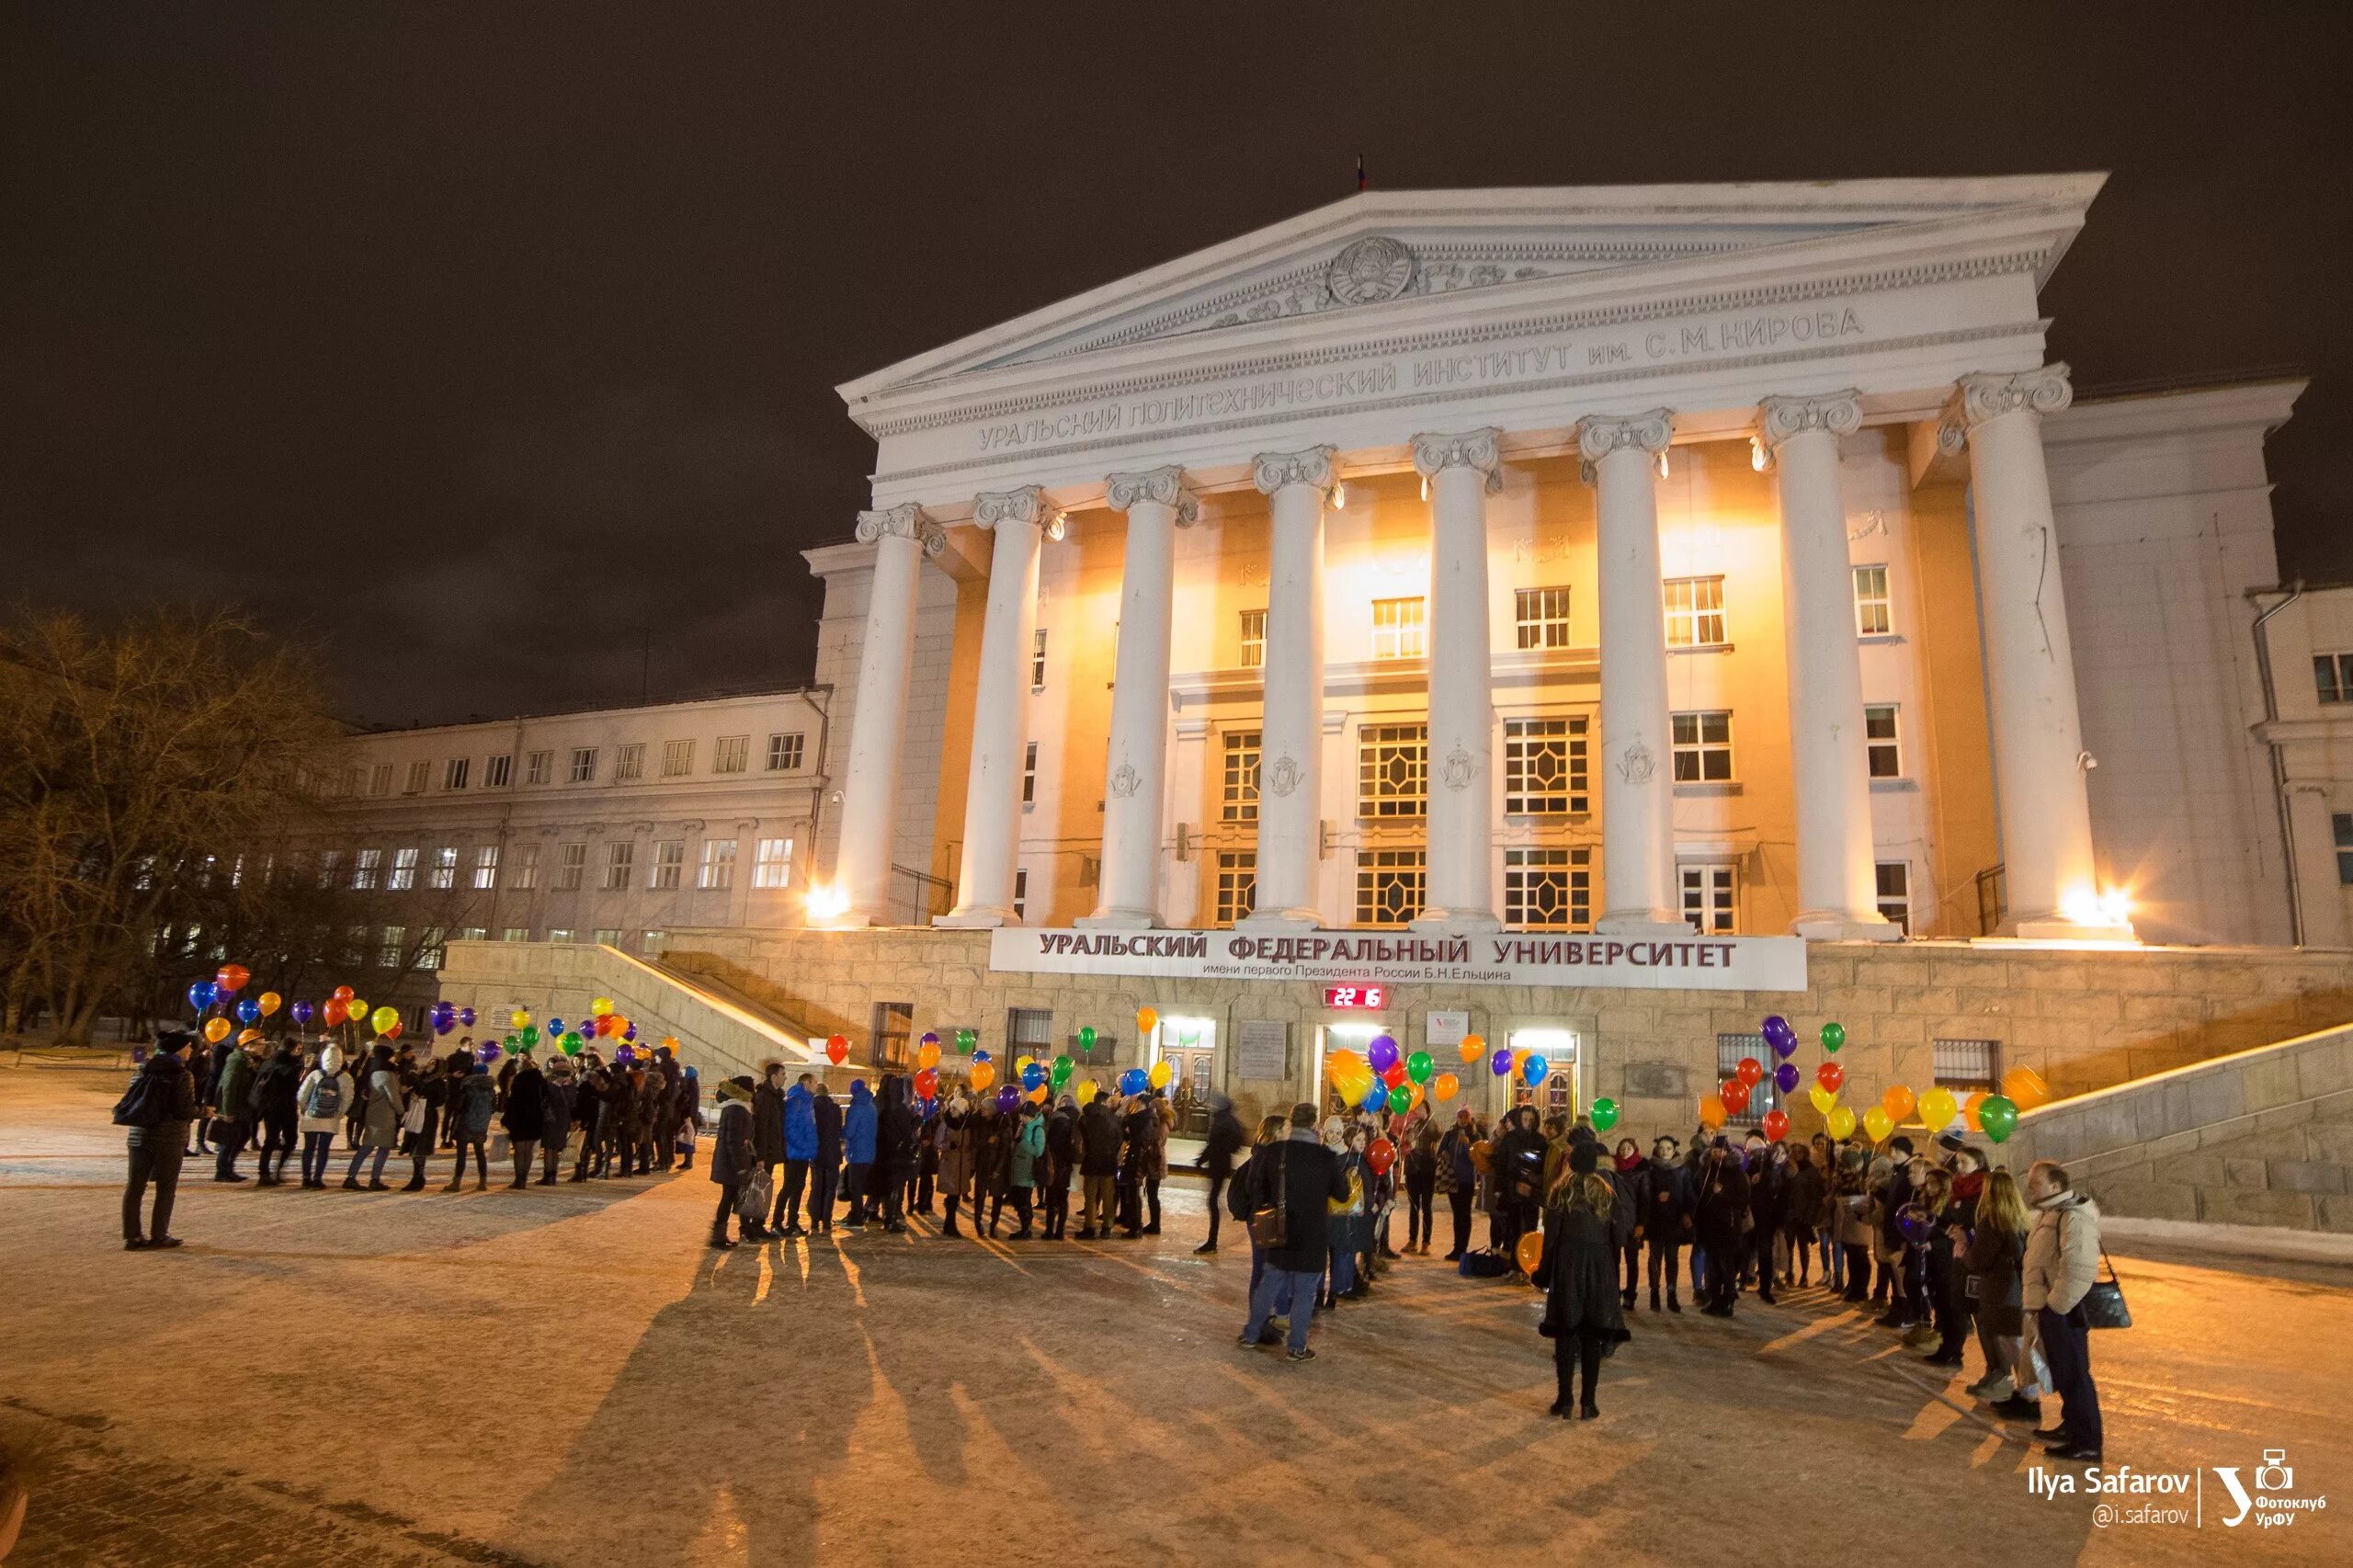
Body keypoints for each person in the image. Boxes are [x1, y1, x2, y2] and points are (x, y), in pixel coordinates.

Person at [1237, 1103, 1353, 1363]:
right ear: (1314, 1125)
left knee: (1269, 1284)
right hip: (1312, 1235)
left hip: (1279, 1229)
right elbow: (1342, 1194)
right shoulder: (1326, 1157)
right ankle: (1297, 1347)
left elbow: (1257, 1186)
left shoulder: (1275, 1151)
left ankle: (1250, 1335)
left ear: (1292, 1123)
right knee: (1305, 1292)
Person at [2011, 1160, 2104, 1462]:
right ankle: (2071, 1426)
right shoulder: (2051, 1212)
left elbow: (2078, 1268)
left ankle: (2087, 1440)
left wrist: (2055, 1306)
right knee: (2064, 1373)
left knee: (2075, 1374)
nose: (2030, 1187)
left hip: (2063, 1310)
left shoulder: (2072, 1216)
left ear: (2056, 1185)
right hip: (2050, 1307)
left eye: (2036, 1182)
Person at [1541, 1144, 1631, 1418]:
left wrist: (1545, 1270)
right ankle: (1588, 1402)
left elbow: (1551, 1237)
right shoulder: (1606, 1192)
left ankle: (1565, 1399)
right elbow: (1621, 1237)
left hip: (1568, 1265)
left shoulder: (1561, 1192)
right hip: (1599, 1267)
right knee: (1592, 1335)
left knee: (1566, 1333)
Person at [117, 1031, 199, 1249]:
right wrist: (203, 1111)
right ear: (178, 1049)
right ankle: (159, 1235)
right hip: (169, 1138)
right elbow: (183, 1110)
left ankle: (132, 1237)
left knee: (135, 1187)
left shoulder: (142, 1069)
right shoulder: (182, 1074)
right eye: (188, 1046)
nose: (191, 1050)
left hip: (139, 1135)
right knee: (166, 1188)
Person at [1961, 1166, 2029, 1403]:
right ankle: (2016, 1388)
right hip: (2015, 1290)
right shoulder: (2019, 1221)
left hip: (1998, 1290)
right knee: (2010, 1339)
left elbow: (1979, 1261)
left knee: (2006, 1340)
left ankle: (2021, 1392)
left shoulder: (1992, 1222)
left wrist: (1963, 1249)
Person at [1692, 1137, 1750, 1318]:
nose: (1717, 1154)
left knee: (1727, 1267)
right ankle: (1714, 1300)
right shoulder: (1705, 1171)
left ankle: (1728, 1302)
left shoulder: (1736, 1173)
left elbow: (1743, 1201)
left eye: (1721, 1150)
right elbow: (1697, 1195)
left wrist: (1722, 1193)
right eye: (1715, 1150)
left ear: (1727, 1152)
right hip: (1708, 1227)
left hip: (1728, 1228)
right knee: (1711, 1268)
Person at [1491, 1106, 1546, 1271]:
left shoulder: (1539, 1140)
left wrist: (1532, 1182)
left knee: (1529, 1228)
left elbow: (1540, 1164)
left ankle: (1526, 1266)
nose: (1528, 1123)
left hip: (1530, 1192)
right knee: (1512, 1228)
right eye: (1525, 1120)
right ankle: (1513, 1265)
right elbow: (1501, 1163)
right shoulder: (1510, 1138)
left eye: (1531, 1120)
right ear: (1519, 1120)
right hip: (1511, 1189)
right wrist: (1499, 1186)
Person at [1875, 1135, 1922, 1328]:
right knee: (1895, 1272)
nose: (1892, 1153)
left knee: (1901, 1275)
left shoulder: (1907, 1173)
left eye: (1896, 1150)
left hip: (1901, 1232)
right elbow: (1893, 1201)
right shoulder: (1898, 1172)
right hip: (1893, 1230)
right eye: (1891, 1150)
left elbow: (1906, 1205)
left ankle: (1903, 1311)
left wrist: (1904, 1235)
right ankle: (1896, 1309)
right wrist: (1877, 1191)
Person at [708, 1074, 758, 1249]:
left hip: (732, 1161)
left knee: (733, 1197)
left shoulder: (738, 1107)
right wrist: (739, 1166)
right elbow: (733, 1140)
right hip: (731, 1163)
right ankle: (717, 1237)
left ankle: (726, 1233)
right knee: (728, 1197)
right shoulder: (737, 1109)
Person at [294, 1045, 352, 1189]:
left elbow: (301, 1095)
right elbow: (347, 1099)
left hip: (312, 1117)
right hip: (331, 1119)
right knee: (323, 1149)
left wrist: (307, 1108)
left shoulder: (315, 1074)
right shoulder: (345, 1078)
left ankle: (306, 1177)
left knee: (309, 1148)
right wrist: (339, 1113)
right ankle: (318, 1178)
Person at [1194, 1092, 1245, 1256]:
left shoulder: (1221, 1121)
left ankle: (1212, 1241)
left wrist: (1201, 1160)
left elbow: (1213, 1144)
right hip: (1223, 1163)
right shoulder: (1229, 1120)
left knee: (1212, 1201)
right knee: (1213, 1200)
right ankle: (1212, 1240)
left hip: (1218, 1163)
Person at [249, 1038, 303, 1187]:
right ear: (292, 1050)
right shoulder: (291, 1066)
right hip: (286, 1108)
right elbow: (294, 1089)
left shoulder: (268, 1062)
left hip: (268, 1108)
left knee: (270, 1140)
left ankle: (264, 1173)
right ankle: (278, 1170)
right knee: (291, 1140)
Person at [210, 1035, 259, 1183]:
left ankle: (228, 1167)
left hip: (243, 1105)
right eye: (259, 1044)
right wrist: (227, 1111)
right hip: (234, 1106)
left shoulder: (249, 1060)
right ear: (247, 1045)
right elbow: (229, 1086)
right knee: (230, 1138)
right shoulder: (236, 1060)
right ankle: (222, 1170)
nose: (262, 1047)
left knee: (243, 1135)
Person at [445, 1060, 496, 1191]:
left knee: (461, 1154)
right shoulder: (491, 1089)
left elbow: (460, 1105)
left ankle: (456, 1183)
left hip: (465, 1123)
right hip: (481, 1125)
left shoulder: (467, 1086)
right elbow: (494, 1108)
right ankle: (483, 1182)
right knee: (480, 1153)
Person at [873, 1074, 915, 1233]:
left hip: (880, 1150)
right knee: (894, 1187)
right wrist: (918, 1121)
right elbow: (907, 1131)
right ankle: (890, 1219)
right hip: (896, 1153)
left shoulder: (879, 1103)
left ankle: (881, 1213)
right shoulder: (898, 1108)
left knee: (885, 1184)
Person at [776, 1073, 817, 1236]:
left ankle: (792, 1222)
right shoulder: (796, 1101)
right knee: (788, 1187)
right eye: (814, 1082)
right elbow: (790, 1129)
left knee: (799, 1187)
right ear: (806, 1083)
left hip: (804, 1153)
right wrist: (804, 1145)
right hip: (794, 1154)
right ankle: (777, 1222)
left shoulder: (808, 1102)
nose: (816, 1085)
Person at [496, 1051, 544, 1190]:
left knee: (519, 1151)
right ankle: (524, 1178)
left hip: (520, 1119)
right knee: (528, 1152)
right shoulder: (540, 1081)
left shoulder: (519, 1080)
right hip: (535, 1119)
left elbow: (513, 1102)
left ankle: (519, 1179)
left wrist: (506, 1120)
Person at [1077, 1088, 1121, 1240]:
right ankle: (1107, 1227)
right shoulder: (1114, 1118)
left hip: (1091, 1160)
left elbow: (1082, 1134)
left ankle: (1089, 1227)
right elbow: (1119, 1139)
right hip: (1108, 1162)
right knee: (1108, 1195)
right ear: (1105, 1101)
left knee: (1090, 1196)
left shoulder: (1086, 1117)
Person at [1834, 1145, 1875, 1301]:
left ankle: (1860, 1289)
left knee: (1858, 1256)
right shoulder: (1845, 1176)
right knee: (1853, 1256)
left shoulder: (1856, 1178)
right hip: (1850, 1220)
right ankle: (1854, 1285)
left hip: (1857, 1220)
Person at [1438, 1109, 1480, 1261]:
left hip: (1467, 1179)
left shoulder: (1475, 1135)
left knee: (1465, 1214)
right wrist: (1443, 1154)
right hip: (1452, 1178)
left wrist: (1468, 1145)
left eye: (1465, 1117)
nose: (1462, 1120)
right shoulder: (1451, 1134)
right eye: (1460, 1117)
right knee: (1457, 1214)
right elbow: (1440, 1150)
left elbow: (1477, 1156)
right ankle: (1457, 1247)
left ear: (1469, 1118)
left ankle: (1463, 1247)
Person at [1041, 1093, 1082, 1241]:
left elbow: (1052, 1143)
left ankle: (1049, 1231)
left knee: (1051, 1198)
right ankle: (1060, 1231)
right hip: (1067, 1164)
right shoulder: (1078, 1118)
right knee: (1063, 1199)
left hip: (1054, 1163)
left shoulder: (1057, 1118)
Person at [935, 1090, 973, 1238]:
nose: (952, 1111)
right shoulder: (946, 1123)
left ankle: (949, 1225)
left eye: (955, 1108)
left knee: (955, 1196)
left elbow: (970, 1144)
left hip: (962, 1165)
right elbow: (938, 1143)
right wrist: (948, 1146)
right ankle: (950, 1225)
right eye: (951, 1108)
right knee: (951, 1196)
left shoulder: (967, 1125)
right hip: (949, 1163)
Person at [1005, 1099, 1044, 1239]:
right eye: (1021, 1115)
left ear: (1032, 1116)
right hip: (1018, 1170)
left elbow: (1038, 1150)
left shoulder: (1037, 1129)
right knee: (1018, 1201)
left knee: (1024, 1201)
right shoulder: (1023, 1126)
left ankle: (1026, 1229)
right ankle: (1025, 1227)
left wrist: (1023, 1144)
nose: (1021, 1118)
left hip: (1027, 1172)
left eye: (1025, 1116)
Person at [841, 1078, 877, 1227]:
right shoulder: (871, 1106)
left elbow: (849, 1132)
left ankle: (857, 1217)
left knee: (855, 1187)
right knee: (860, 1186)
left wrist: (840, 1132)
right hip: (869, 1151)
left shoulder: (855, 1108)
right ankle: (859, 1213)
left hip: (857, 1152)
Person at [1401, 1122, 1440, 1256]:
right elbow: (1402, 1141)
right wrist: (1407, 1137)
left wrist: (1429, 1123)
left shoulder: (1431, 1124)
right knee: (1414, 1206)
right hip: (1412, 1170)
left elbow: (1437, 1135)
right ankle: (1412, 1240)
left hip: (1427, 1170)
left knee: (1426, 1206)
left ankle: (1426, 1242)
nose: (1420, 1111)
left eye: (1423, 1108)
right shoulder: (1410, 1123)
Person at [809, 1077, 843, 1233]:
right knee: (830, 1189)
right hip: (833, 1154)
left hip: (816, 1153)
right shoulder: (835, 1109)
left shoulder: (812, 1107)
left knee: (816, 1188)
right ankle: (827, 1221)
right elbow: (839, 1130)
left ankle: (815, 1222)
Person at [538, 1057, 577, 1184]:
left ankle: (548, 1176)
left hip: (551, 1119)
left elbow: (545, 1101)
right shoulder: (571, 1086)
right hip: (564, 1119)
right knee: (556, 1149)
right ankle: (553, 1175)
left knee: (549, 1148)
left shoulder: (551, 1085)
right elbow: (573, 1103)